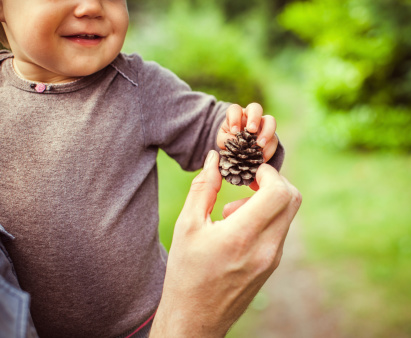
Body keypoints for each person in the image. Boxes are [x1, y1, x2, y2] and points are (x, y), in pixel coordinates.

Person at [0, 1, 301, 337]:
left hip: (146, 324)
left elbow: (207, 129)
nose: (91, 7)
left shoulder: (138, 86)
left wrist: (244, 135)